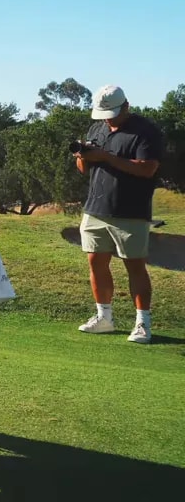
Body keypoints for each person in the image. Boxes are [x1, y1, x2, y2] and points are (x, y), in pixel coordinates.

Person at [74, 84, 163, 344]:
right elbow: (84, 170)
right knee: (95, 263)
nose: (108, 119)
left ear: (126, 106)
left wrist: (106, 156)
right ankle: (104, 318)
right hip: (96, 209)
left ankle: (142, 323)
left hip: (130, 211)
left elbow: (147, 169)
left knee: (134, 266)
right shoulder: (97, 128)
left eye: (112, 113)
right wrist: (83, 156)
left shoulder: (146, 131)